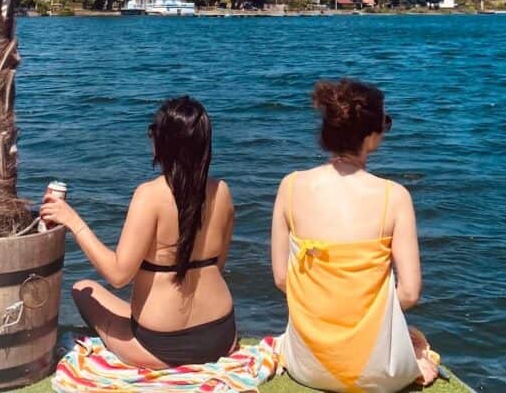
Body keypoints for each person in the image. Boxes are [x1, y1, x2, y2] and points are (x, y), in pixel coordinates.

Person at [40, 96, 237, 368]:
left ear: (162, 143)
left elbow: (118, 275)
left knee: (82, 288)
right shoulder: (222, 191)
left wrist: (72, 220)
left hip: (160, 346)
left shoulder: (150, 195)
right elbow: (219, 264)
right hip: (221, 335)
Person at [271, 78, 438, 392]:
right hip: (375, 372)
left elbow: (282, 279)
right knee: (416, 342)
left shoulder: (290, 186)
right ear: (372, 136)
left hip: (306, 365)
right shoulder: (394, 197)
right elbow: (409, 293)